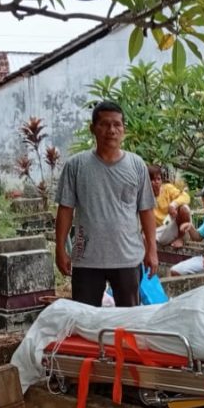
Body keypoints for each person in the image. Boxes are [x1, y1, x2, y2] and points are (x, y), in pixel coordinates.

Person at [55, 101, 158, 307]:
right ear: (93, 128)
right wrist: (60, 249)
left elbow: (146, 210)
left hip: (127, 257)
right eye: (104, 124)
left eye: (117, 125)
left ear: (124, 130)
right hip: (87, 259)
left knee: (128, 321)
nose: (111, 130)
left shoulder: (136, 165)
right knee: (85, 321)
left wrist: (152, 250)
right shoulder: (76, 166)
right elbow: (65, 210)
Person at [149, 164, 192, 248]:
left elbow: (186, 197)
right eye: (153, 180)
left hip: (175, 225)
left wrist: (173, 205)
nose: (156, 182)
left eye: (158, 179)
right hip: (161, 231)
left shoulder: (167, 188)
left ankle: (181, 238)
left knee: (184, 208)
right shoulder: (144, 196)